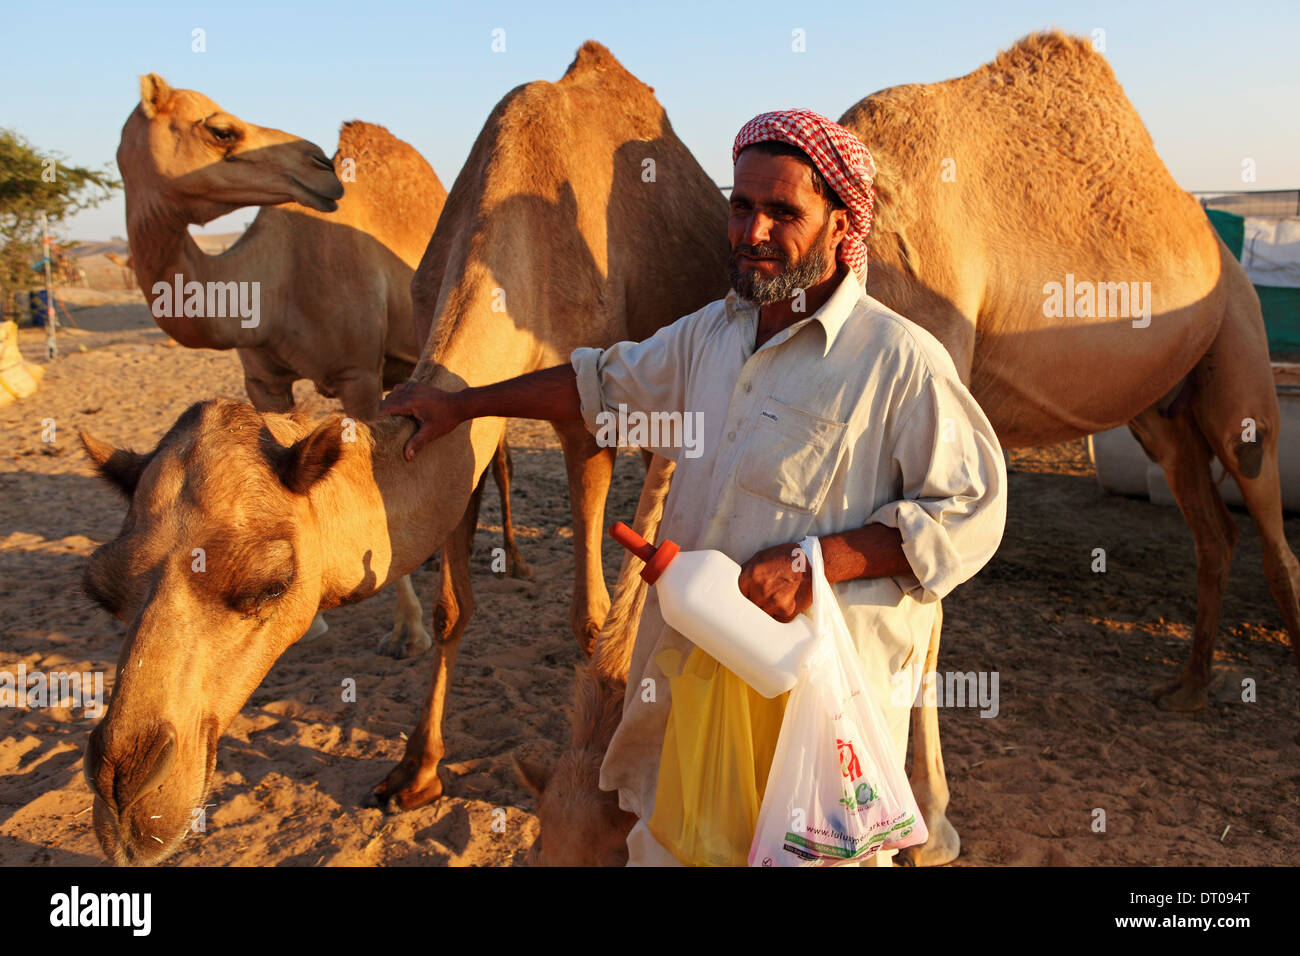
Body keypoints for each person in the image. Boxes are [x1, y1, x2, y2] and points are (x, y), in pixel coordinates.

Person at [379, 108, 1007, 866]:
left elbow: (971, 510)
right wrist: (461, 405)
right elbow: (599, 386)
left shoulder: (897, 361)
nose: (754, 231)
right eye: (742, 207)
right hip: (698, 686)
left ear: (842, 224)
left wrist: (823, 561)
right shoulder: (713, 334)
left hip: (812, 712)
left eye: (784, 212)